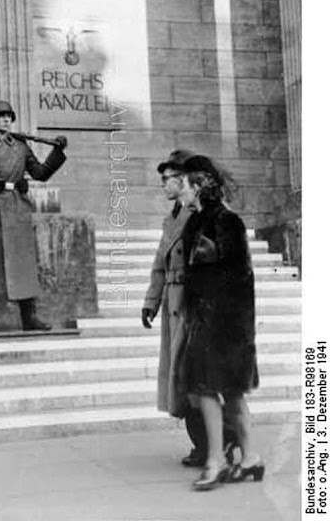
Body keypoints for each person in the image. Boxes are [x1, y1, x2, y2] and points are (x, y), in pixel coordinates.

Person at [141, 150, 237, 468]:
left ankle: (220, 441)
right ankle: (206, 444)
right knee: (184, 380)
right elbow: (159, 263)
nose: (163, 184)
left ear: (184, 178)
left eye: (168, 178)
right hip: (174, 305)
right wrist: (151, 302)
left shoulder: (205, 213)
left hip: (197, 306)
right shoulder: (172, 218)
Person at [180, 154, 264, 491]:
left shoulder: (226, 222)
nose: (179, 191)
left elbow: (239, 277)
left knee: (209, 391)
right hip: (219, 322)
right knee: (230, 392)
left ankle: (215, 463)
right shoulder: (195, 223)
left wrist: (214, 317)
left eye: (184, 184)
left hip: (221, 324)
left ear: (198, 185)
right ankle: (251, 459)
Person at [0, 100, 67, 335]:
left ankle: (29, 317)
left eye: (9, 116)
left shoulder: (21, 147)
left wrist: (57, 151)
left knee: (23, 263)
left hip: (18, 208)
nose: (6, 120)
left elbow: (40, 173)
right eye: (1, 116)